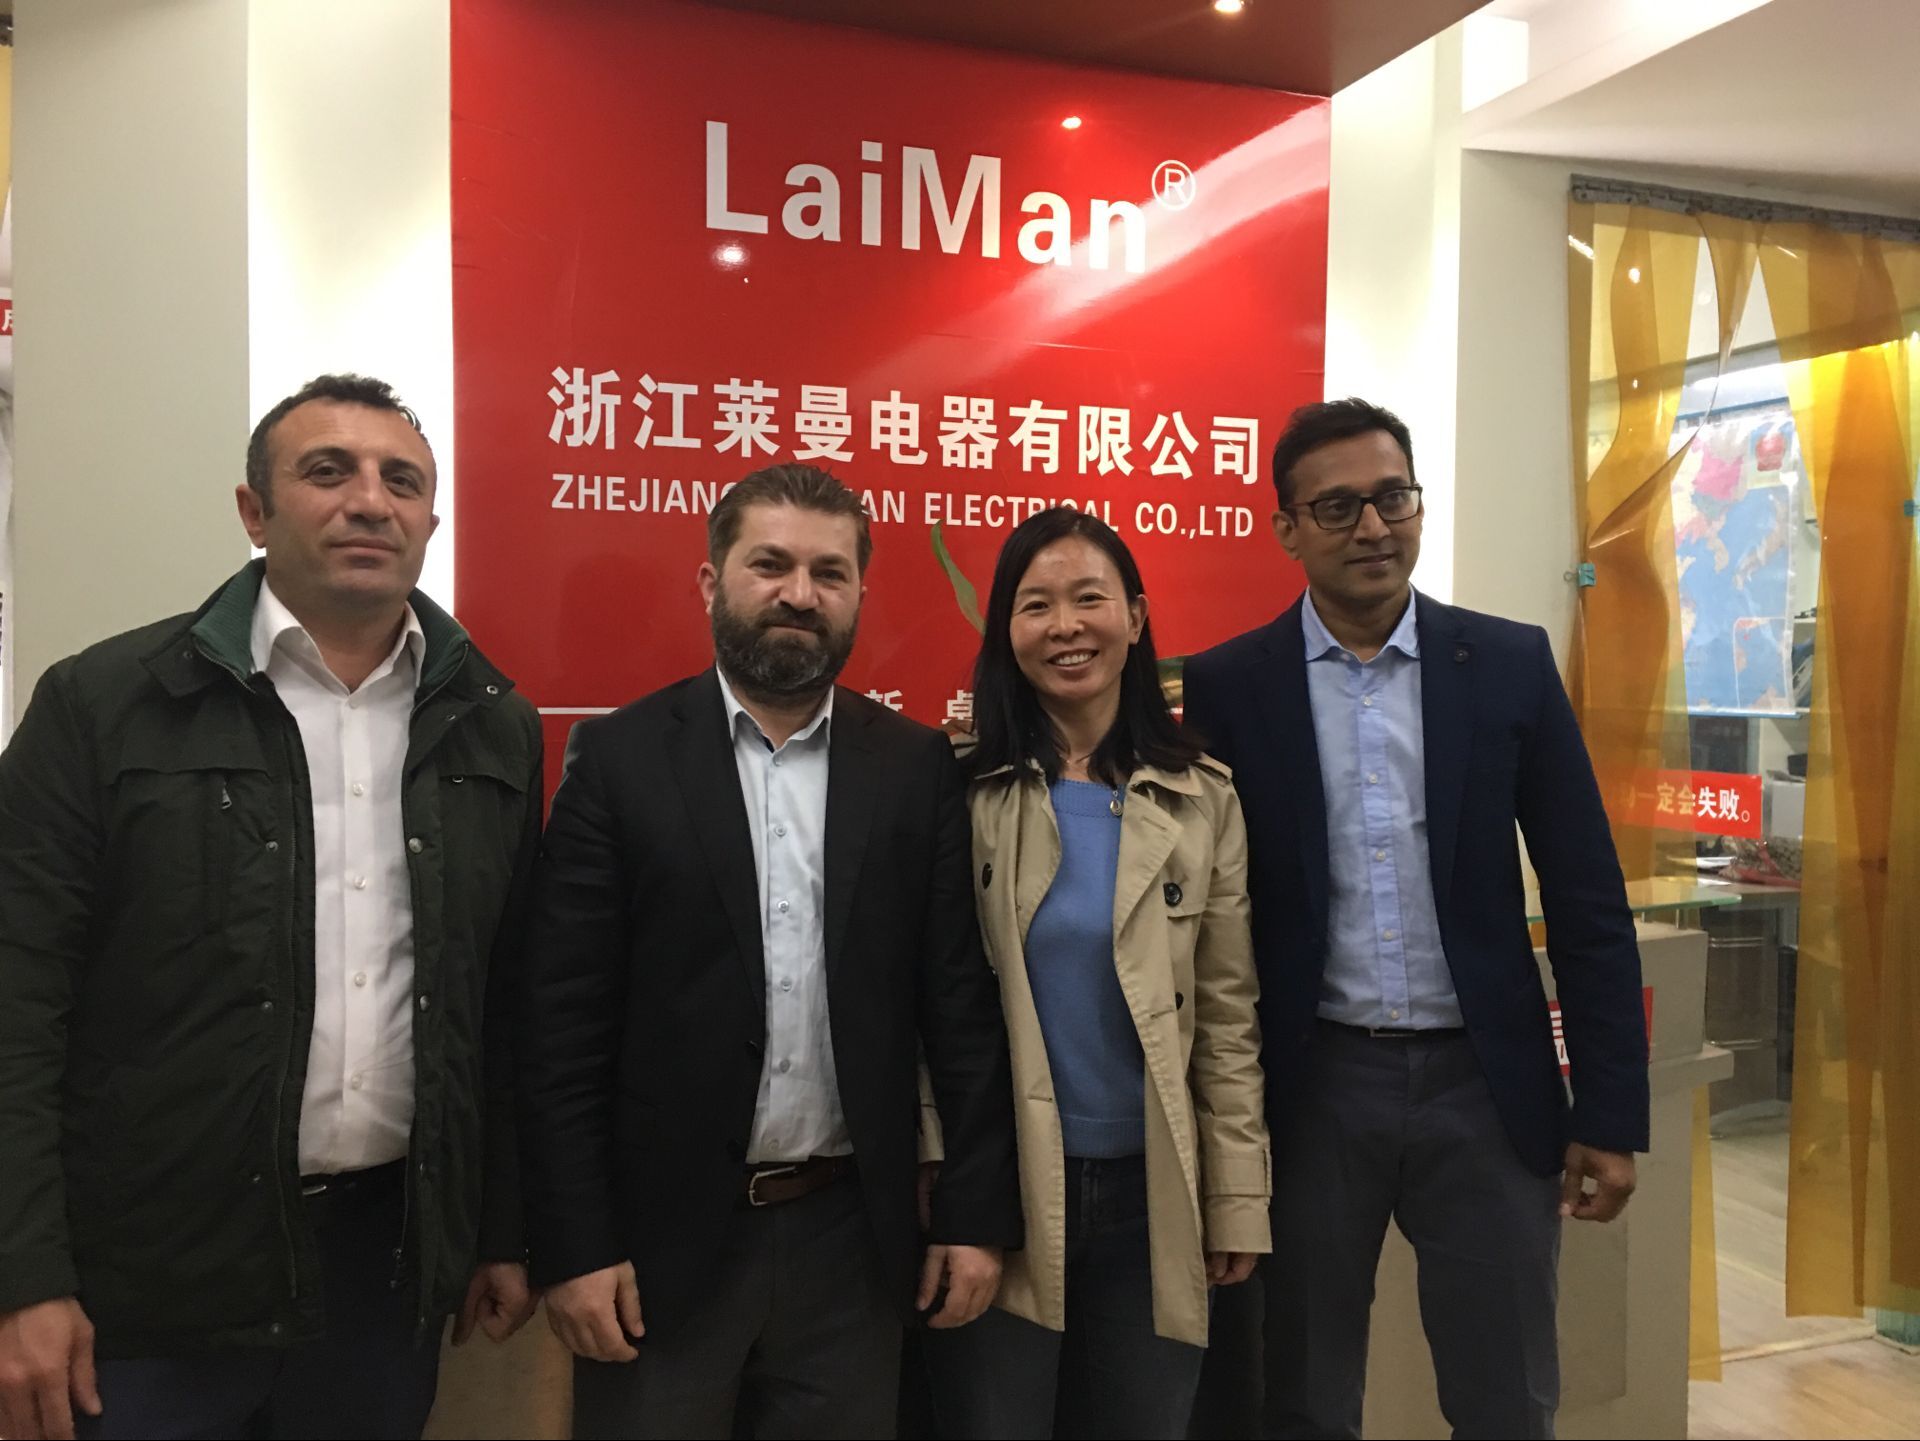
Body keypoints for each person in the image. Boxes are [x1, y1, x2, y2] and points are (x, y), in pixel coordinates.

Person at [0, 374, 542, 1441]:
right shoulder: (105, 704)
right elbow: (16, 1003)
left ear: (431, 521)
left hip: (382, 1274)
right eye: (327, 471)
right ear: (255, 511)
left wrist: (499, 1228)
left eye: (402, 481)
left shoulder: (491, 724)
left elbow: (505, 1002)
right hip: (152, 1276)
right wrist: (24, 1273)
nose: (369, 501)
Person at [519, 463, 1022, 1439]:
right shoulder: (620, 760)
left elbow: (957, 1005)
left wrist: (973, 1214)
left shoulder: (913, 765)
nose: (800, 593)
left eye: (830, 572)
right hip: (657, 1250)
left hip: (852, 1245)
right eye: (771, 564)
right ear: (712, 583)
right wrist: (573, 1244)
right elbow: (560, 1027)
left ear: (860, 592)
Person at [1182, 398, 1650, 1440]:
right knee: (1301, 1394)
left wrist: (1611, 1111)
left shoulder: (1509, 664)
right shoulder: (1230, 686)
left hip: (1486, 1086)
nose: (1372, 526)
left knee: (1506, 1395)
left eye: (1392, 497)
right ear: (1287, 528)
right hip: (1312, 1088)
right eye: (1337, 506)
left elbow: (1586, 896)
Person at [920, 508, 1270, 1440]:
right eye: (1036, 605)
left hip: (1157, 1193)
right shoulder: (961, 789)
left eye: (1089, 598)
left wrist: (1237, 1194)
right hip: (1005, 1189)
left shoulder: (1203, 797)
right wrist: (937, 1169)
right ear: (1005, 629)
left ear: (1137, 616)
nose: (1066, 626)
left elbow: (1227, 1017)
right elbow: (926, 1005)